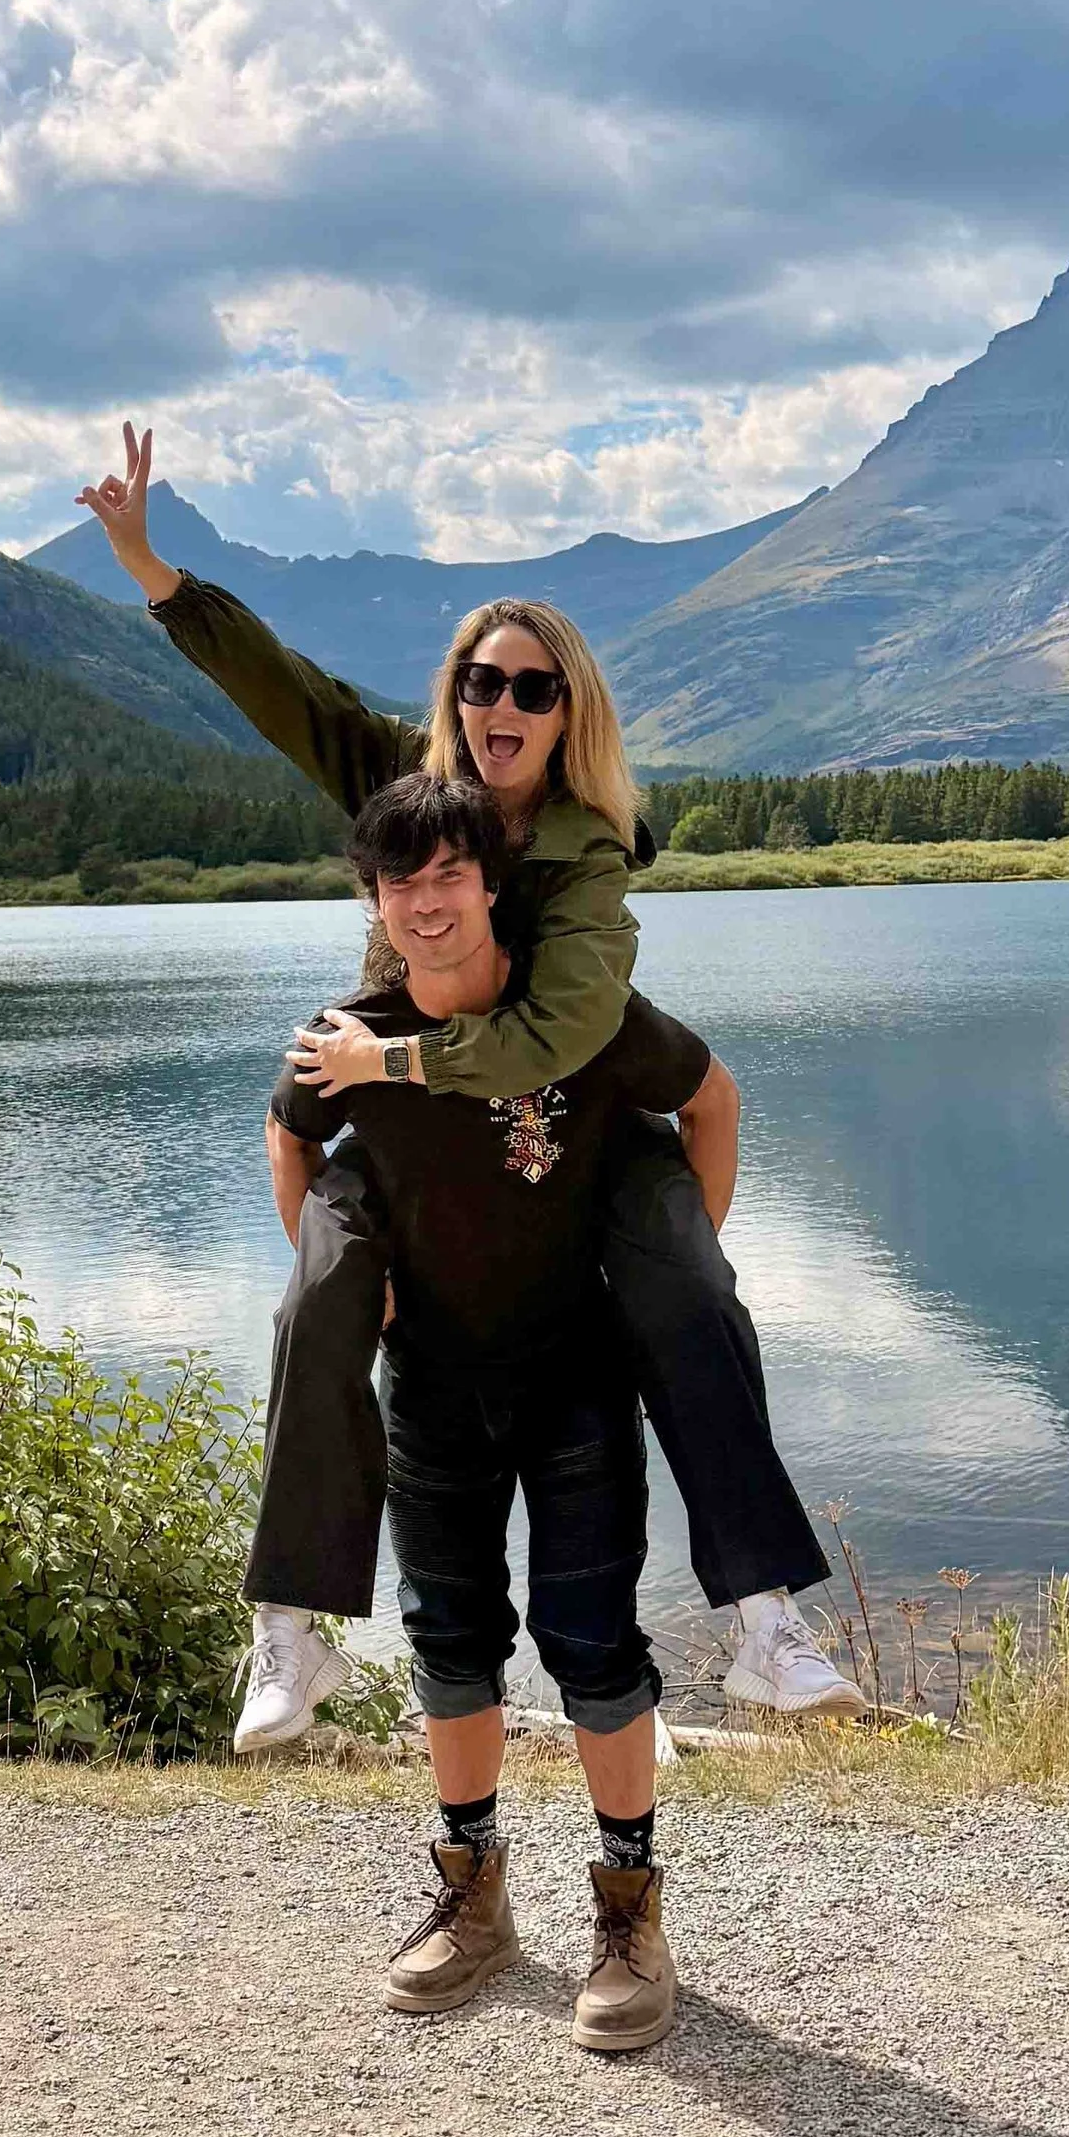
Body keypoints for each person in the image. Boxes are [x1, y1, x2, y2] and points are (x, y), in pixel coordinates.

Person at [76, 421, 856, 1737]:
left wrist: (390, 1057)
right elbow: (286, 691)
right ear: (457, 694)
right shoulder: (408, 784)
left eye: (534, 688)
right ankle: (292, 1631)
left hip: (588, 1100)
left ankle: (763, 1619)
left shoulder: (589, 852)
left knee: (690, 1289)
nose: (503, 705)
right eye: (484, 681)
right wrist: (159, 574)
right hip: (414, 1124)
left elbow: (563, 1035)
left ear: (569, 713)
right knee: (319, 1297)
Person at [272, 772, 712, 2040]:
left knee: (592, 1643)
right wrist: (345, 1276)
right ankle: (471, 1899)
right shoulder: (343, 1035)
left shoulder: (577, 1016)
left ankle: (628, 1915)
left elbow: (711, 1101)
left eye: (448, 876)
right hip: (431, 1394)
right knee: (450, 1641)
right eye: (398, 882)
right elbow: (287, 1129)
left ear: (488, 884)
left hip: (577, 1382)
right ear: (375, 897)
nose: (425, 902)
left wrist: (674, 1283)